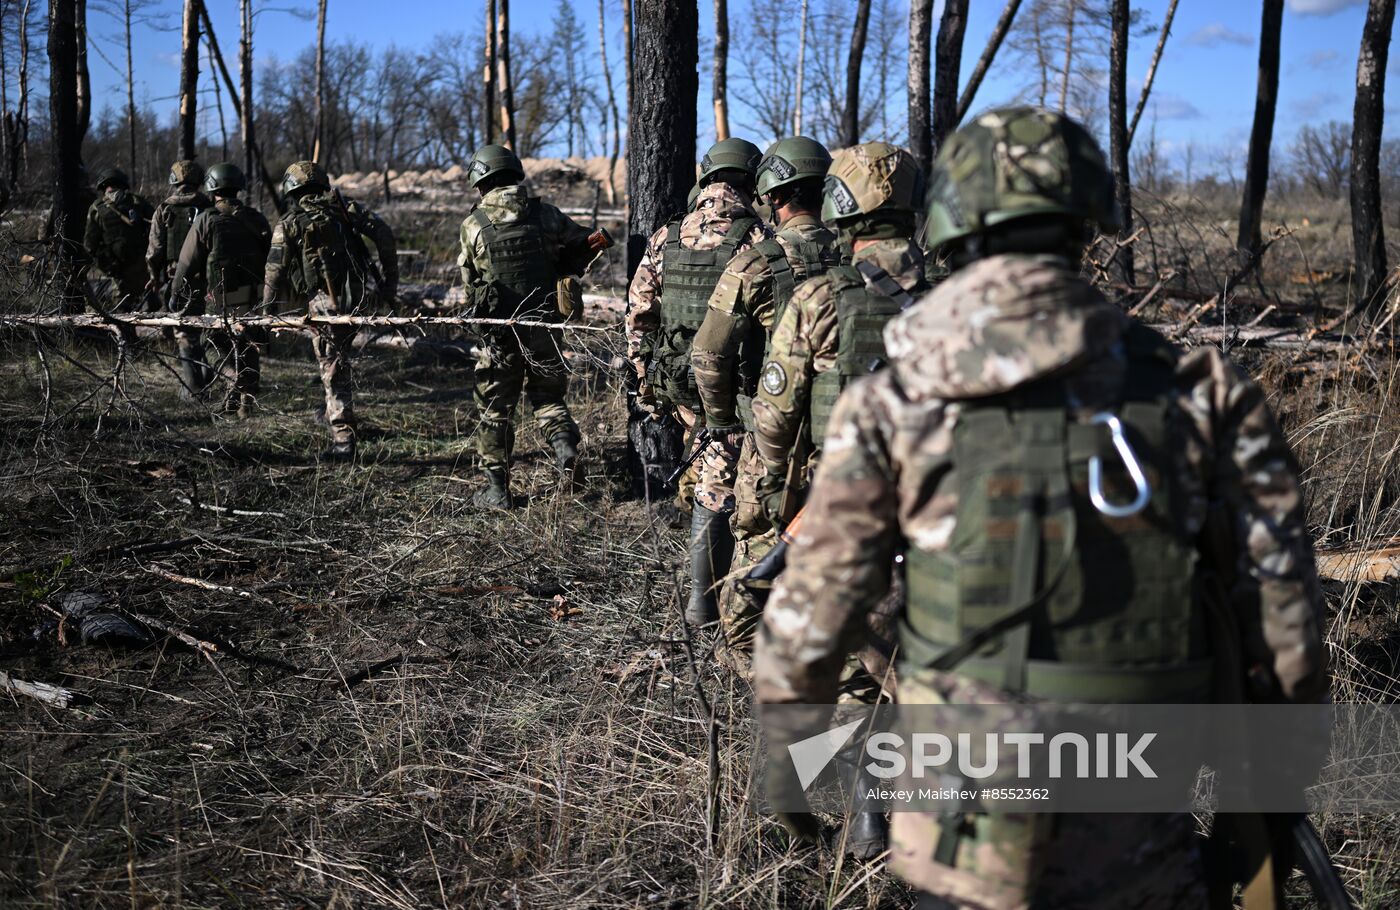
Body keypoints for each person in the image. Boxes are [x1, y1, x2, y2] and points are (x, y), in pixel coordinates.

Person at [752, 106, 1328, 908]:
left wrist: (791, 785)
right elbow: (1288, 641)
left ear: (952, 223)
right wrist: (1258, 811)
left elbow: (807, 633)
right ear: (1086, 223)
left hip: (958, 848)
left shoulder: (892, 405)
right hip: (1142, 840)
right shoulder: (1205, 396)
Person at [690, 136, 839, 645]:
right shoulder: (856, 254)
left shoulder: (757, 263)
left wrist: (722, 423)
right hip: (853, 431)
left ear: (773, 194)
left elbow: (709, 355)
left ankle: (744, 660)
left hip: (774, 431)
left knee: (758, 543)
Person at [626, 137, 771, 625]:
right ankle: (703, 608)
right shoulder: (757, 238)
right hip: (730, 389)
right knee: (718, 485)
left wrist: (646, 383)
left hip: (677, 384)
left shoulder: (667, 235)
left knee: (704, 468)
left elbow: (638, 315)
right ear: (750, 178)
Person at [751, 140, 929, 529]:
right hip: (937, 506)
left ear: (841, 203)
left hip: (840, 507)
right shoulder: (959, 297)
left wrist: (779, 481)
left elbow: (773, 417)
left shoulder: (820, 299)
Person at [458, 143, 611, 509]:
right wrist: (563, 266)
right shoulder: (547, 215)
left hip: (501, 332)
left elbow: (471, 284)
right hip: (545, 326)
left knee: (495, 409)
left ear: (481, 182)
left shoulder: (473, 225)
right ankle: (565, 448)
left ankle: (497, 491)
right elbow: (588, 241)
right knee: (549, 398)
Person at [262, 160, 398, 461]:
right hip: (358, 296)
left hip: (326, 302)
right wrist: (390, 284)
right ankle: (332, 412)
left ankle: (343, 438)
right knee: (339, 359)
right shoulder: (345, 209)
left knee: (332, 366)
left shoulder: (289, 222)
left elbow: (274, 272)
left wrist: (266, 311)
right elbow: (385, 234)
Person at [168, 163, 272, 416]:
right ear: (238, 187)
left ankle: (231, 376)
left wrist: (175, 292)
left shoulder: (207, 219)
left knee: (214, 343)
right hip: (253, 293)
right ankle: (242, 403)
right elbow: (271, 257)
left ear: (213, 188)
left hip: (220, 296)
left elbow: (186, 261)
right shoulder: (257, 218)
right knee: (248, 344)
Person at [148, 159, 214, 396]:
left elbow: (154, 250)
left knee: (183, 332)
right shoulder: (210, 207)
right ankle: (207, 374)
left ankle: (194, 387)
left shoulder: (164, 209)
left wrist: (155, 277)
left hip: (177, 279)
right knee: (206, 328)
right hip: (209, 280)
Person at [83, 168, 155, 312]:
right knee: (148, 307)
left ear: (103, 187)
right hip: (140, 268)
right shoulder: (138, 202)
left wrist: (106, 264)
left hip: (114, 270)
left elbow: (90, 244)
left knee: (120, 310)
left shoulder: (97, 208)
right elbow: (155, 230)